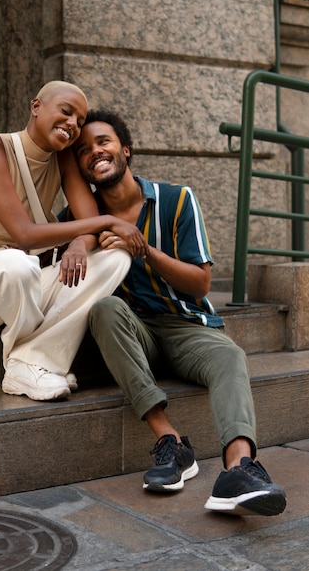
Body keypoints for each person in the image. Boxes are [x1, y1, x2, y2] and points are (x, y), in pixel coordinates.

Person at [67, 108, 286, 517]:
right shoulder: (81, 218)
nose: (94, 152)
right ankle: (172, 444)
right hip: (134, 334)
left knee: (230, 355)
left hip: (187, 326)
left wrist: (143, 248)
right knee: (105, 309)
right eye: (82, 150)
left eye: (103, 142)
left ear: (125, 151)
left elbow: (200, 284)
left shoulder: (176, 198)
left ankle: (239, 469)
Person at [0, 81, 148, 402]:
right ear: (36, 106)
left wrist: (80, 241)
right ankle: (25, 361)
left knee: (114, 258)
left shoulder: (62, 160)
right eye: (66, 112)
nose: (73, 124)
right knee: (16, 263)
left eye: (79, 120)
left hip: (24, 277)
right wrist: (106, 221)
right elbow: (23, 234)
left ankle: (32, 360)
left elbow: (86, 225)